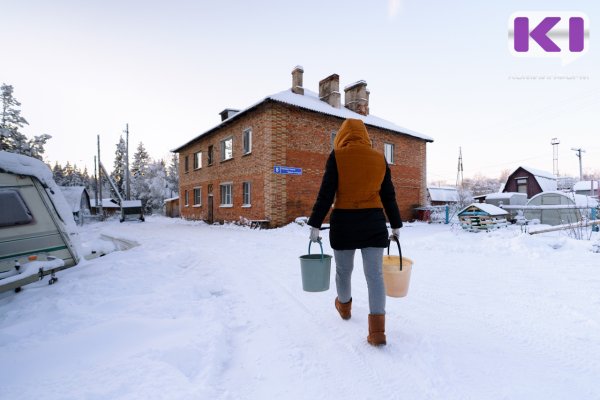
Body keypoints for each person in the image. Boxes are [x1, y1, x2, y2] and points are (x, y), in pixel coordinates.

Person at [308, 118, 402, 346]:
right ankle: (377, 331)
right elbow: (388, 195)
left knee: (343, 271)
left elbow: (326, 194)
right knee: (375, 276)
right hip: (373, 222)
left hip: (344, 223)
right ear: (365, 136)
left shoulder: (337, 156)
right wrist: (396, 224)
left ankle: (344, 307)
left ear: (342, 136)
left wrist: (315, 224)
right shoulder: (380, 158)